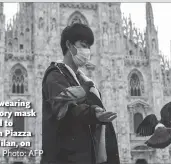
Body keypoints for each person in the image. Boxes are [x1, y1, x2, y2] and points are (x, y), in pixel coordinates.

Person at [41, 23, 120, 164]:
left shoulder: (84, 81)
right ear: (69, 45)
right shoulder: (55, 76)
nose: (87, 51)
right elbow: (65, 107)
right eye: (83, 45)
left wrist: (95, 112)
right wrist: (93, 113)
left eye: (89, 46)